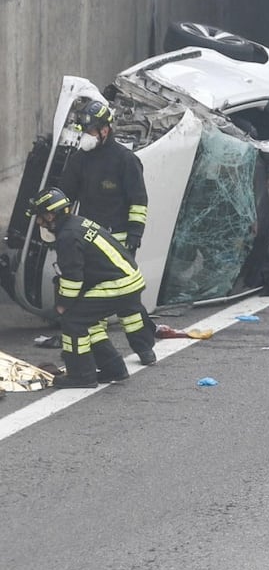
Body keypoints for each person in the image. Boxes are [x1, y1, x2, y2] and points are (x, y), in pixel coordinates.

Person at [30, 187, 158, 387]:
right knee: (87, 320)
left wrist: (61, 306)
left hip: (117, 284)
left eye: (40, 217)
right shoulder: (77, 223)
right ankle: (114, 368)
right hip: (127, 279)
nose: (39, 223)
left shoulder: (67, 237)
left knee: (73, 320)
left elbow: (73, 279)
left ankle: (81, 376)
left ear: (49, 215)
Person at [58, 99, 149, 251]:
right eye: (84, 131)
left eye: (90, 131)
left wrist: (135, 233)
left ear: (105, 130)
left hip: (117, 242)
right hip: (88, 238)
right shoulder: (79, 160)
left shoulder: (125, 160)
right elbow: (66, 195)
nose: (86, 136)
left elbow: (138, 200)